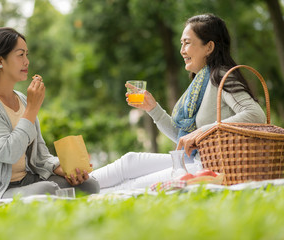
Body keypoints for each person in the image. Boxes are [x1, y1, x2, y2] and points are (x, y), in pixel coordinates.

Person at [90, 14, 266, 193]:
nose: (182, 50)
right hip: (195, 159)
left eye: (187, 43)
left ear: (209, 47)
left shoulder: (221, 76)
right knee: (129, 161)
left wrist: (201, 132)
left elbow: (256, 114)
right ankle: (74, 182)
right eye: (181, 43)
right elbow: (183, 140)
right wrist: (153, 109)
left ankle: (77, 191)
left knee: (131, 185)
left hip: (211, 166)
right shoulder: (200, 84)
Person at [0, 27, 99, 204]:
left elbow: (40, 156)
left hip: (24, 182)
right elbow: (9, 153)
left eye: (27, 55)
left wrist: (63, 169)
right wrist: (32, 109)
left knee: (89, 186)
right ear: (0, 60)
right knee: (47, 190)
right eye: (20, 55)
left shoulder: (22, 100)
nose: (27, 62)